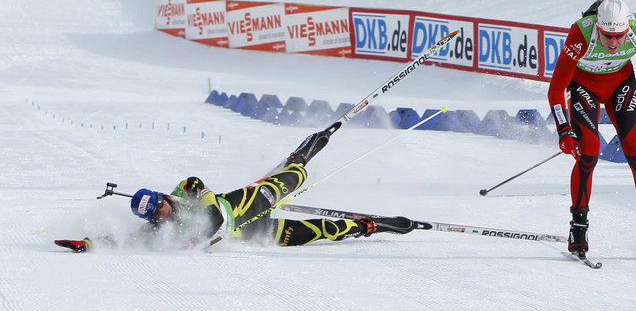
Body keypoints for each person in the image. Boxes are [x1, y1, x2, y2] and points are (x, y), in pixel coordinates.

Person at [54, 128, 416, 252]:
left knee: (288, 182)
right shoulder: (154, 228)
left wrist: (208, 219)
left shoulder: (183, 191)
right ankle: (372, 225)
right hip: (251, 232)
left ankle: (300, 156)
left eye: (160, 206)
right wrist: (87, 244)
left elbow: (201, 191)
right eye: (155, 215)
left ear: (163, 198)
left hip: (238, 207)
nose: (162, 214)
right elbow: (124, 241)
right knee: (317, 232)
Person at [546, 0, 636, 258]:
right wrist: (563, 130)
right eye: (607, 37)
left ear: (627, 27)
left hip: (620, 84)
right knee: (588, 152)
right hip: (585, 86)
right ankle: (578, 227)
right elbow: (556, 89)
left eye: (619, 37)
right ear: (598, 28)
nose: (614, 44)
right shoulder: (581, 34)